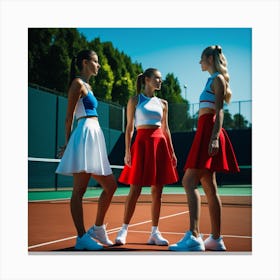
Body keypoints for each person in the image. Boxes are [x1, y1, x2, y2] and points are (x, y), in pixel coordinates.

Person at [169, 45, 240, 252]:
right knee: (209, 185)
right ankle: (216, 239)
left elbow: (219, 112)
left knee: (188, 181)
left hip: (210, 131)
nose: (199, 63)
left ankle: (193, 235)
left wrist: (214, 138)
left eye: (201, 59)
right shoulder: (211, 80)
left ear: (209, 58)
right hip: (205, 131)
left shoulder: (217, 79)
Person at [56, 50, 117, 251]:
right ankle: (81, 237)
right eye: (96, 61)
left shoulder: (88, 86)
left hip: (94, 136)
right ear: (85, 62)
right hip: (84, 136)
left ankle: (98, 228)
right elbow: (68, 117)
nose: (98, 65)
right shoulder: (77, 84)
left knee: (111, 186)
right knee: (79, 190)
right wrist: (68, 145)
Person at [115, 68, 179, 246]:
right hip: (141, 145)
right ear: (147, 80)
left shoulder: (163, 103)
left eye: (161, 79)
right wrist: (127, 151)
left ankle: (154, 233)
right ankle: (123, 230)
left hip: (160, 146)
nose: (160, 81)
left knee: (157, 191)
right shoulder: (135, 100)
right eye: (157, 78)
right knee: (134, 189)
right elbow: (129, 128)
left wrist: (172, 152)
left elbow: (166, 130)